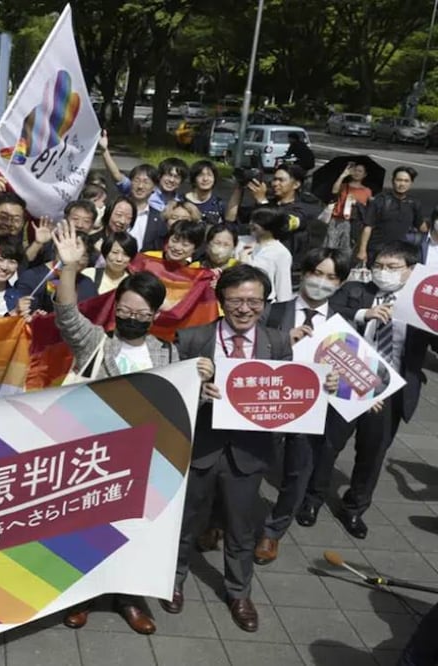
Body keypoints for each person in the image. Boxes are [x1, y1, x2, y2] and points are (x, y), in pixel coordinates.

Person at [51, 223, 213, 634]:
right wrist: (69, 268)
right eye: (125, 311)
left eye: (142, 314)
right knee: (89, 531)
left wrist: (203, 388)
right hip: (94, 459)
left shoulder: (169, 353)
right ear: (115, 308)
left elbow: (181, 404)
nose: (132, 319)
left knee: (135, 533)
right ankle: (83, 596)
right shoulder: (95, 343)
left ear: (155, 316)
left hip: (145, 463)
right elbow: (67, 314)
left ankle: (129, 598)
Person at [167, 264, 293, 633]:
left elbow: (288, 393)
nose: (245, 308)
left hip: (248, 452)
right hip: (200, 447)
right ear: (221, 300)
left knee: (241, 527)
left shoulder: (277, 342)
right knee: (184, 520)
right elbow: (172, 395)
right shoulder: (192, 339)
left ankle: (239, 592)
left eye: (254, 301)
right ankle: (172, 580)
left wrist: (323, 387)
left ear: (265, 304)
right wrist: (197, 393)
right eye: (236, 300)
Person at [299, 242, 434, 537]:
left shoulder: (420, 304)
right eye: (379, 266)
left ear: (411, 270)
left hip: (390, 390)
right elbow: (328, 308)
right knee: (328, 445)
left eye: (392, 267)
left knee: (372, 453)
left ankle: (354, 508)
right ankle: (312, 499)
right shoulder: (356, 291)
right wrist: (363, 314)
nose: (383, 272)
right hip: (348, 379)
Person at [252, 248, 351, 564]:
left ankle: (272, 532)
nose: (321, 282)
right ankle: (219, 520)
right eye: (317, 273)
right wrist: (281, 342)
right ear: (304, 273)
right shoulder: (273, 312)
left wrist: (340, 385)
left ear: (340, 283)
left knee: (298, 473)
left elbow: (352, 373)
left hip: (313, 410)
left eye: (331, 277)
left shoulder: (343, 323)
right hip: (269, 402)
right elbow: (249, 352)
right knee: (247, 466)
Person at [99, 130, 184, 212]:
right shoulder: (143, 190)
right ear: (160, 176)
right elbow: (117, 175)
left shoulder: (181, 202)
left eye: (176, 177)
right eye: (168, 175)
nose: (171, 180)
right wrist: (104, 150)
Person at [357, 167, 425, 265]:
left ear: (411, 183)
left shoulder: (414, 203)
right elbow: (368, 226)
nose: (402, 184)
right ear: (393, 181)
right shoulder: (380, 200)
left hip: (400, 252)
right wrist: (362, 250)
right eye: (399, 180)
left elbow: (421, 227)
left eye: (406, 181)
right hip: (377, 251)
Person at [18, 232, 98, 314]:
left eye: (83, 255)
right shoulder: (32, 277)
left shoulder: (87, 283)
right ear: (57, 250)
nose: (75, 259)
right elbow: (22, 313)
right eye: (71, 253)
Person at [240, 208, 295, 303]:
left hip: (264, 302)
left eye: (257, 222)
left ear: (270, 226)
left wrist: (284, 307)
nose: (251, 224)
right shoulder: (240, 241)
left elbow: (283, 285)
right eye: (252, 220)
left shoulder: (281, 252)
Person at [326, 161, 373, 253]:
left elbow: (367, 208)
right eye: (355, 170)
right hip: (337, 220)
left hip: (354, 223)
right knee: (330, 247)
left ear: (364, 175)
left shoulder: (367, 191)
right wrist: (343, 176)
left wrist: (357, 203)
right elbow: (334, 191)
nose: (357, 173)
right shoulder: (344, 186)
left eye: (360, 171)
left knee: (346, 250)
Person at [185, 160, 226, 224]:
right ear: (194, 179)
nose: (205, 179)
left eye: (209, 175)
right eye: (201, 175)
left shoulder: (219, 204)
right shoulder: (181, 201)